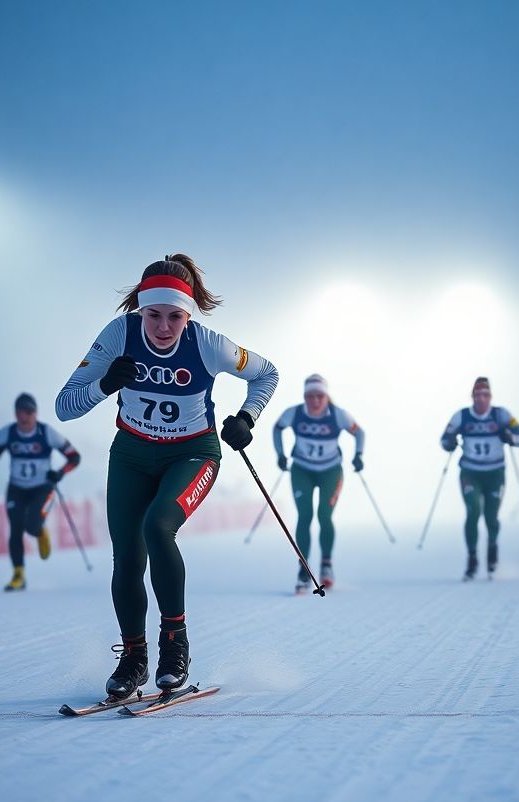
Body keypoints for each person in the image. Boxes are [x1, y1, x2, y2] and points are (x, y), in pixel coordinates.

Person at [55, 254, 278, 699]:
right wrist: (104, 385)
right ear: (138, 309)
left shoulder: (209, 343)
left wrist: (247, 418)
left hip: (192, 454)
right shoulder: (118, 335)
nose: (162, 327)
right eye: (153, 315)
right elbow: (65, 405)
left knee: (158, 527)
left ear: (188, 314)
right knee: (127, 555)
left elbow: (266, 373)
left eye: (175, 316)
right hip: (132, 456)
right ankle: (134, 658)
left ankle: (174, 645)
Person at [273, 374, 364, 593]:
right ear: (304, 397)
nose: (315, 401)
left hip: (330, 471)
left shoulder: (338, 415)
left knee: (324, 515)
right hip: (302, 470)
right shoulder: (294, 413)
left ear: (326, 396)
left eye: (320, 396)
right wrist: (280, 454)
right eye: (310, 396)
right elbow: (277, 428)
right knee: (304, 516)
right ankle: (303, 570)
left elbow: (359, 432)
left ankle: (326, 564)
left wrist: (358, 455)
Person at [0, 393, 81, 592]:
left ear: (35, 413)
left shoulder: (46, 433)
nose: (25, 417)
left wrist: (60, 473)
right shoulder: (7, 433)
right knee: (16, 528)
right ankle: (18, 575)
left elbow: (74, 457)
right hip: (17, 488)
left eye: (29, 412)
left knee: (32, 525)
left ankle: (39, 530)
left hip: (42, 488)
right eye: (21, 412)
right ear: (15, 414)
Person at [441, 377, 519, 579]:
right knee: (473, 511)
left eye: (485, 395)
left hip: (495, 473)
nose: (481, 399)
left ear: (491, 397)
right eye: (477, 395)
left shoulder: (501, 415)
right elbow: (444, 439)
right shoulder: (461, 416)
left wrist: (510, 438)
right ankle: (472, 559)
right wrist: (450, 442)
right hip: (470, 472)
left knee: (491, 516)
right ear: (472, 397)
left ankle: (492, 552)